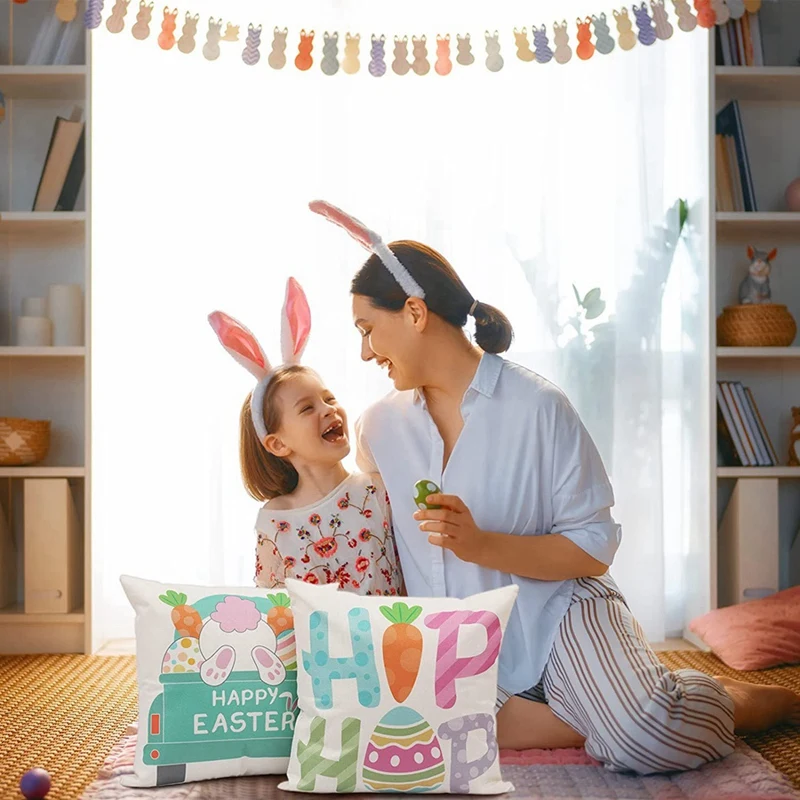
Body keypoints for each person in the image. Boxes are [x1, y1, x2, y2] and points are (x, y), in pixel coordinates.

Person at [308, 200, 800, 775]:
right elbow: (363, 529)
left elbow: (593, 549)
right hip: (465, 645)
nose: (365, 351)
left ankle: (730, 700)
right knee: (427, 733)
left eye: (368, 330)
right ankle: (623, 694)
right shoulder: (379, 428)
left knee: (645, 737)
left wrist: (481, 544)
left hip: (560, 612)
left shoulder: (538, 406)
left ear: (414, 312)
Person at [208, 277, 402, 596]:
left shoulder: (377, 491)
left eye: (329, 398)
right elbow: (273, 608)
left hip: (392, 630)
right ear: (277, 443)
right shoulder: (275, 520)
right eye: (307, 408)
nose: (328, 410)